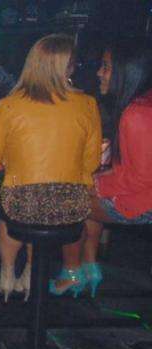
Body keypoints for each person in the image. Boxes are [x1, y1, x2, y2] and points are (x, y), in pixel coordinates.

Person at [0, 34, 102, 302]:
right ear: (68, 68)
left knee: (8, 208)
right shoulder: (87, 104)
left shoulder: (9, 105)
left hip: (21, 202)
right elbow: (91, 162)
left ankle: (8, 273)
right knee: (39, 205)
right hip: (70, 205)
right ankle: (32, 270)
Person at [58, 42, 152, 297]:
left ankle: (72, 273)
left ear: (126, 71)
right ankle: (90, 266)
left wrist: (96, 183)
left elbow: (140, 179)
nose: (99, 73)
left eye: (106, 67)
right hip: (142, 194)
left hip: (143, 203)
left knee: (66, 202)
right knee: (82, 193)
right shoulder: (143, 103)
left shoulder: (137, 113)